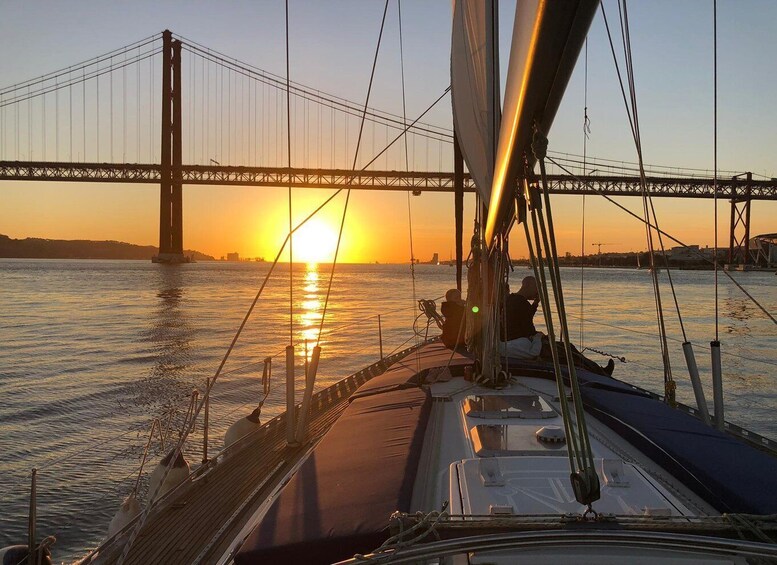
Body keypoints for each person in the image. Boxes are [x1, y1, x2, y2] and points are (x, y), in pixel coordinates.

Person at [502, 276, 614, 376]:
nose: (538, 291)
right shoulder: (522, 303)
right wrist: (542, 337)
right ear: (529, 285)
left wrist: (536, 303)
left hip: (521, 340)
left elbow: (524, 318)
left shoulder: (513, 299)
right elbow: (528, 329)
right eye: (537, 287)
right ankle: (600, 372)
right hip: (525, 343)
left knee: (568, 347)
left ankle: (599, 370)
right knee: (568, 351)